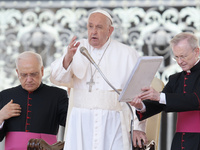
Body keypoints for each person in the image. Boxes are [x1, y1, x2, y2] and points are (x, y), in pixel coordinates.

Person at [50, 9, 147, 150]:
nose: (93, 31)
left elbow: (138, 93)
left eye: (99, 27)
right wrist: (68, 58)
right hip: (81, 123)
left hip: (114, 123)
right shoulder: (77, 48)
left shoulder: (127, 54)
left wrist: (138, 127)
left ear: (110, 30)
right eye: (90, 26)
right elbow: (56, 76)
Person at [130, 32, 200, 150]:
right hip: (180, 141)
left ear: (196, 51)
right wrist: (141, 106)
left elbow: (195, 100)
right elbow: (160, 103)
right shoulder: (175, 79)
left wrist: (159, 96)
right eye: (176, 57)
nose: (179, 61)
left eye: (183, 56)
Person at [0, 51, 69, 150]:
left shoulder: (58, 96)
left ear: (42, 71)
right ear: (17, 72)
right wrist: (1, 116)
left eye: (33, 74)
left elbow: (71, 125)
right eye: (24, 75)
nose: (29, 79)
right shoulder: (5, 96)